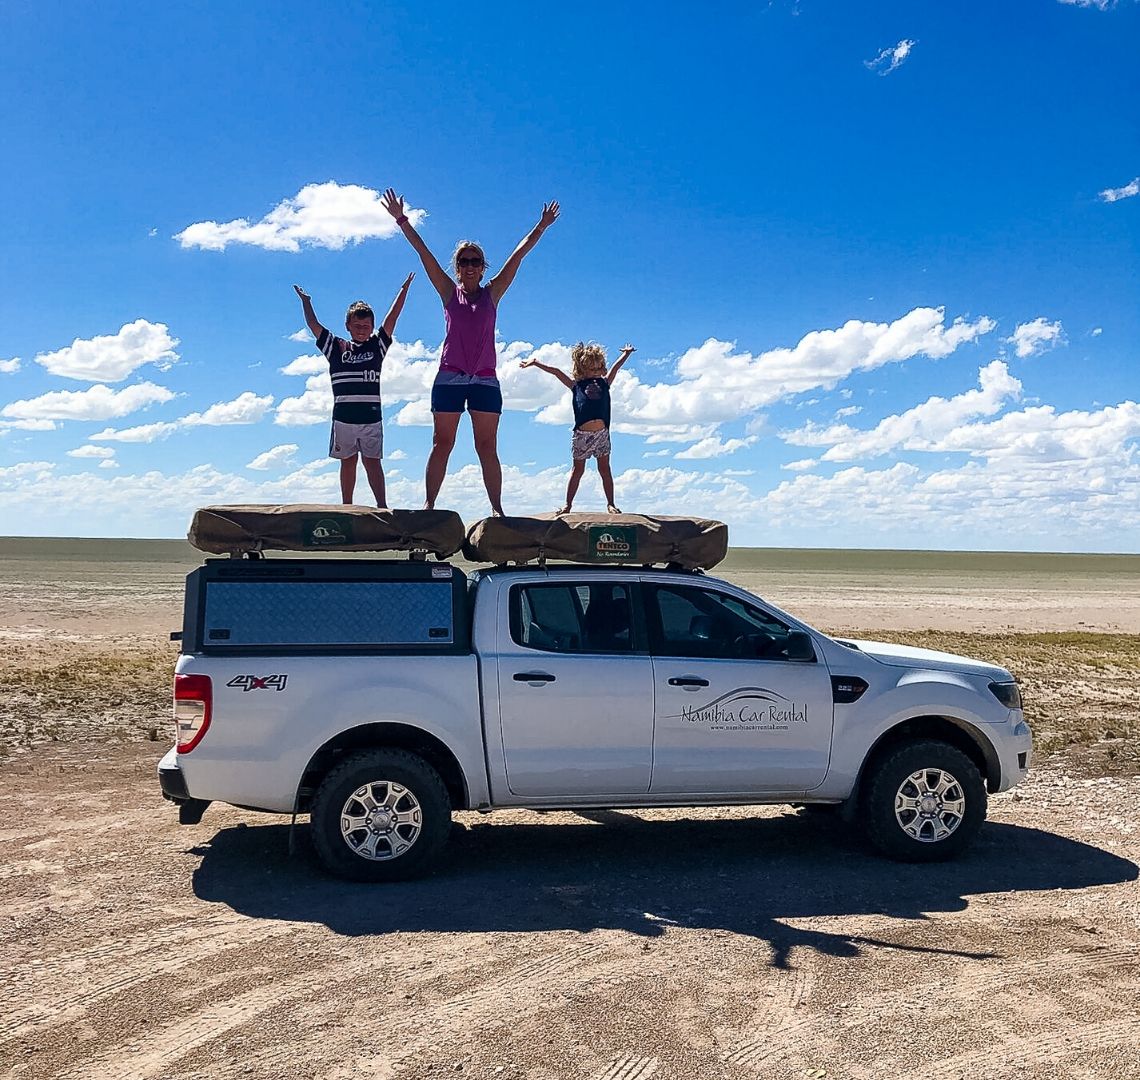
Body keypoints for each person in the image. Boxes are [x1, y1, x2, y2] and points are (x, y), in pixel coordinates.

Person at [381, 188, 559, 515]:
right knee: (442, 444)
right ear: (457, 267)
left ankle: (497, 510)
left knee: (486, 446)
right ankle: (429, 506)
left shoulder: (493, 293)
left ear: (483, 267)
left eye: (476, 261)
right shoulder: (449, 292)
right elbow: (424, 254)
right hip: (450, 376)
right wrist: (402, 220)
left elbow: (517, 256)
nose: (470, 265)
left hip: (484, 380)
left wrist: (542, 226)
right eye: (464, 261)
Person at [293, 275, 413, 506]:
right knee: (347, 461)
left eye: (366, 326)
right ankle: (347, 507)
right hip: (344, 419)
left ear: (371, 327)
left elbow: (392, 318)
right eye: (357, 326)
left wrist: (403, 290)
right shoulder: (336, 347)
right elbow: (314, 326)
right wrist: (306, 301)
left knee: (372, 462)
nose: (361, 330)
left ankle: (382, 506)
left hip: (371, 418)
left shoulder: (377, 346)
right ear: (347, 325)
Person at [521, 341, 634, 515]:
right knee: (578, 470)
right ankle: (567, 505)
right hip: (582, 434)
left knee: (605, 469)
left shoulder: (605, 383)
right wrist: (536, 363)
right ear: (582, 369)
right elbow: (557, 372)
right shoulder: (576, 386)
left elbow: (616, 368)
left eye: (598, 369)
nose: (596, 373)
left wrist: (626, 354)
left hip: (602, 434)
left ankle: (611, 504)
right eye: (592, 369)